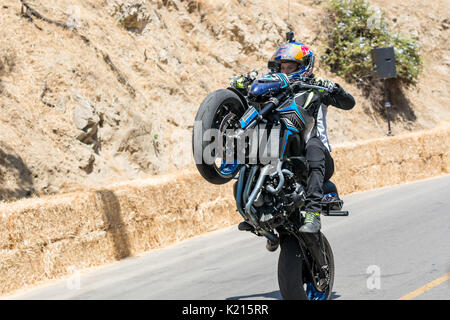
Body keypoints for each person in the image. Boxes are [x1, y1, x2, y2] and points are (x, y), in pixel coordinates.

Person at [235, 42, 355, 234]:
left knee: (314, 147)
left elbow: (349, 103)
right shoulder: (274, 90)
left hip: (314, 154)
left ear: (303, 67)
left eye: (290, 66)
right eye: (282, 67)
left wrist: (333, 87)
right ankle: (255, 211)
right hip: (283, 152)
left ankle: (312, 214)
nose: (285, 70)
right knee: (257, 145)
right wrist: (241, 87)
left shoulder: (315, 88)